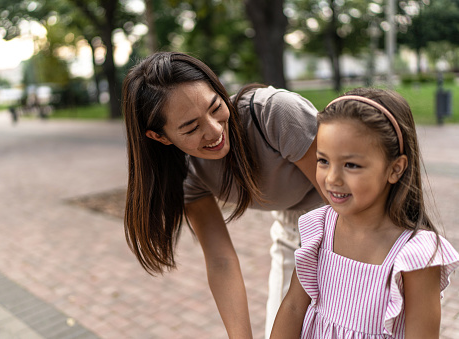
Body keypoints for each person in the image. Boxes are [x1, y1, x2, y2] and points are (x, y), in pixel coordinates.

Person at [122, 51, 325, 338]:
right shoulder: (186, 175)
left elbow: (344, 200)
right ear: (160, 137)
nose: (215, 130)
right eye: (191, 127)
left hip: (350, 222)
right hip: (294, 231)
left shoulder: (275, 113)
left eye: (216, 107)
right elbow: (221, 260)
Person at [270, 88, 459, 339]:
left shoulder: (415, 255)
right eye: (323, 160)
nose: (332, 178)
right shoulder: (319, 228)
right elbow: (294, 307)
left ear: (395, 168)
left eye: (351, 165)